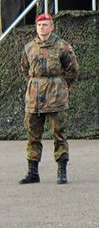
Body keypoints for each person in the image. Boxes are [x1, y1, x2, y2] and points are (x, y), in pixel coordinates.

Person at [19, 13, 79, 185]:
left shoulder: (62, 46)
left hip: (56, 98)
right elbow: (25, 70)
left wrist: (60, 86)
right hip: (34, 99)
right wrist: (36, 85)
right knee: (33, 136)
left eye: (46, 25)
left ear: (52, 27)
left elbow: (72, 70)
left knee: (59, 135)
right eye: (39, 25)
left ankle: (61, 171)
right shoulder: (29, 47)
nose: (42, 28)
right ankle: (32, 172)